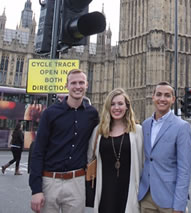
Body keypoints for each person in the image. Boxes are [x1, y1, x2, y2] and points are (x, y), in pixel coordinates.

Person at [29, 69, 99, 213]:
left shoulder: (92, 114)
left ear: (87, 85)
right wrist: (36, 190)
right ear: (66, 85)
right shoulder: (50, 113)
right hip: (50, 181)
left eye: (81, 83)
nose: (77, 86)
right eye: (73, 83)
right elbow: (38, 151)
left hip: (77, 181)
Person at [138, 81, 191, 213]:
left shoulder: (182, 127)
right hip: (146, 197)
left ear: (173, 99)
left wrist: (179, 205)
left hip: (169, 199)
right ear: (153, 97)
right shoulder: (145, 125)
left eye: (167, 95)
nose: (162, 99)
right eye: (159, 95)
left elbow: (184, 170)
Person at [87, 88, 144, 213]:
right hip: (105, 190)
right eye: (112, 104)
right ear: (108, 107)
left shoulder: (137, 131)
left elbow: (143, 162)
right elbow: (90, 157)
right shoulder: (99, 131)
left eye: (120, 104)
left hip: (128, 190)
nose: (116, 108)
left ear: (127, 106)